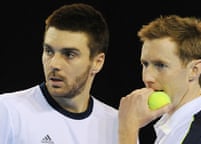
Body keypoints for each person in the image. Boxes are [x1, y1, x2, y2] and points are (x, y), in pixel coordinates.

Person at [0, 3, 118, 144]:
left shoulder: (117, 125)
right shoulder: (7, 110)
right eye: (49, 51)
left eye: (69, 54)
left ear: (97, 62)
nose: (54, 64)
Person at [118, 15, 201, 144]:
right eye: (145, 64)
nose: (147, 77)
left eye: (160, 65)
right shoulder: (183, 125)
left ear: (194, 70)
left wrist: (127, 129)